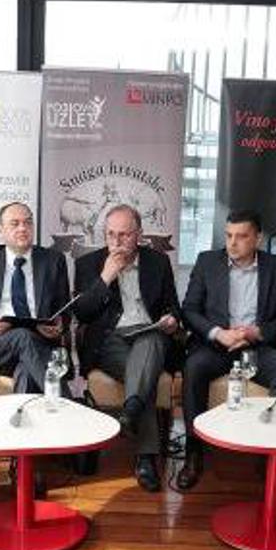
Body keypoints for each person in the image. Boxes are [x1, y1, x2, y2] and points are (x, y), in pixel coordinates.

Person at [176, 209, 276, 492]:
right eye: (229, 235)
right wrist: (219, 333)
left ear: (258, 238)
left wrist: (258, 332)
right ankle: (193, 453)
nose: (232, 243)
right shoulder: (207, 262)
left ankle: (272, 455)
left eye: (241, 236)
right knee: (193, 367)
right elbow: (190, 310)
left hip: (254, 348)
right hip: (216, 345)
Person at [74, 204, 180, 492]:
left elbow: (172, 306)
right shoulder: (89, 264)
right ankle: (145, 455)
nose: (117, 241)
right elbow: (82, 313)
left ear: (139, 235)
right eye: (110, 234)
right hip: (111, 341)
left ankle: (131, 414)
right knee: (143, 374)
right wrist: (106, 277)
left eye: (124, 235)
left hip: (150, 335)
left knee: (151, 343)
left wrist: (171, 320)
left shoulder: (158, 262)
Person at [0, 201, 71, 393]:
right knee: (23, 336)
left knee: (26, 370)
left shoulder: (53, 260)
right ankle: (65, 403)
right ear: (1, 230)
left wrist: (59, 324)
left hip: (39, 345)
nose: (22, 228)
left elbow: (65, 307)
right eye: (15, 223)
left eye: (28, 222)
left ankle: (25, 413)